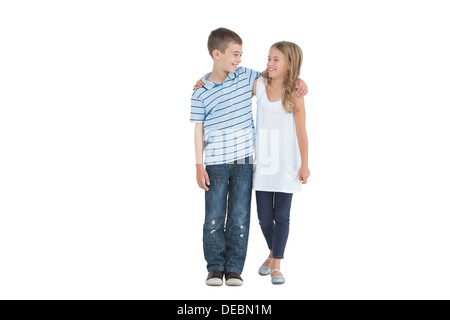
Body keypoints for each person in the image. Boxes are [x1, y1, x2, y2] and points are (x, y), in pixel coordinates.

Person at [191, 28, 308, 286]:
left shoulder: (249, 78)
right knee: (230, 216)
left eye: (241, 55)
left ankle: (251, 266)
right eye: (235, 54)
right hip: (235, 162)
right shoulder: (211, 89)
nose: (240, 60)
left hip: (260, 162)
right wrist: (199, 164)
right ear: (217, 54)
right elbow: (201, 122)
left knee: (247, 217)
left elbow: (282, 90)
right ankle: (218, 267)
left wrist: (301, 82)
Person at [253, 41, 310, 285]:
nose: (270, 63)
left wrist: (304, 163)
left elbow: (301, 129)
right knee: (264, 218)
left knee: (282, 216)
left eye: (276, 59)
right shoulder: (259, 84)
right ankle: (272, 253)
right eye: (269, 58)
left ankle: (276, 264)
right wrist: (203, 81)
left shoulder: (295, 92)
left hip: (287, 162)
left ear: (290, 64)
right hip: (263, 163)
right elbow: (229, 85)